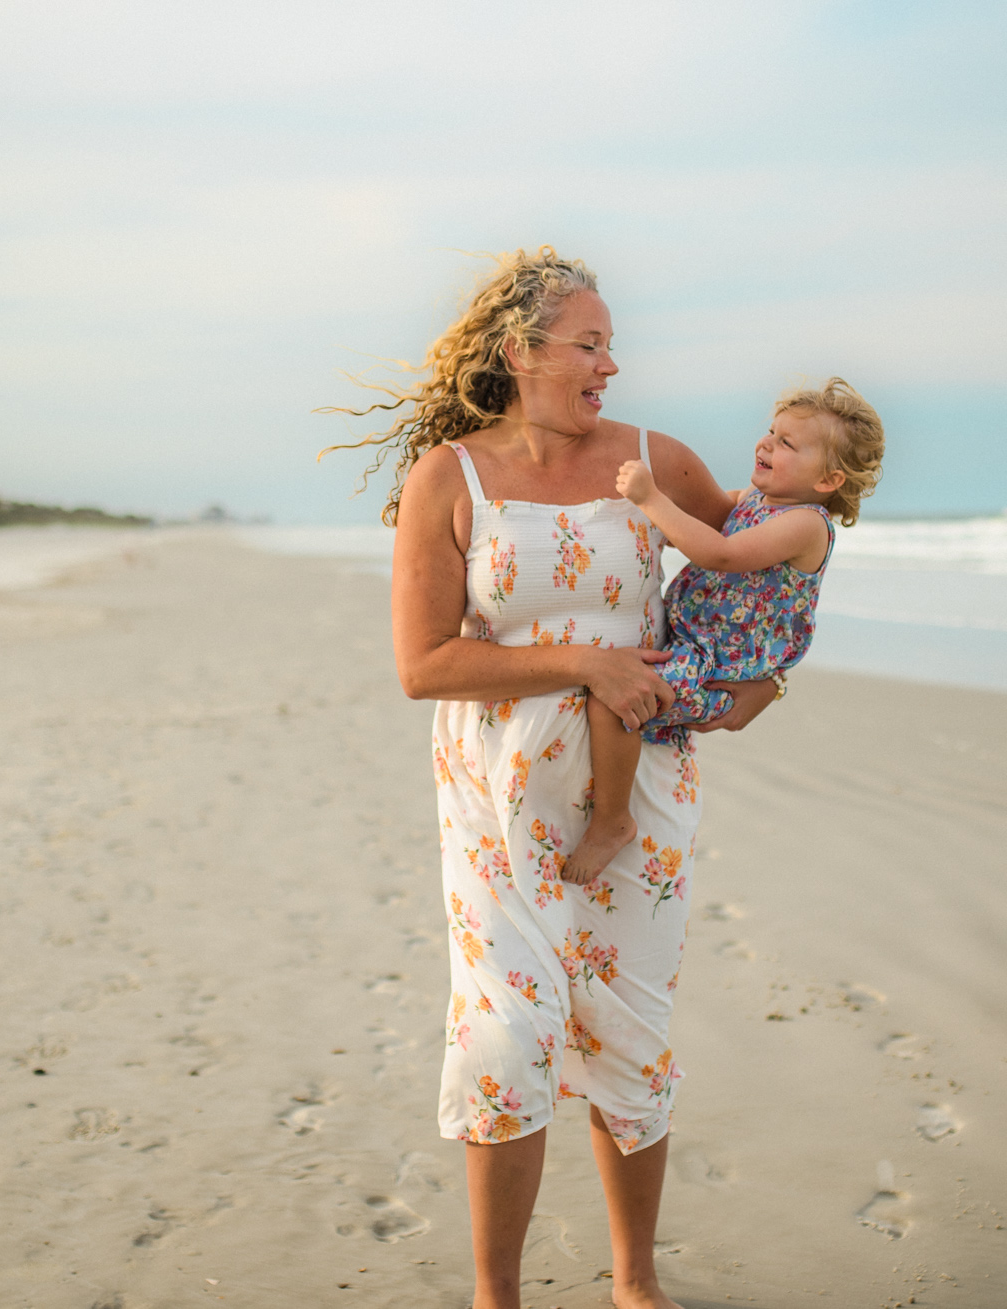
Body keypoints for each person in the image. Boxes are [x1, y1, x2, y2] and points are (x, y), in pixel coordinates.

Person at [338, 247, 772, 1309]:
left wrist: (760, 680)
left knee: (627, 1026)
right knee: (506, 1031)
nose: (609, 364)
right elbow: (422, 663)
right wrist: (582, 657)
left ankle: (634, 1280)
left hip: (643, 800)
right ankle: (498, 1294)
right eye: (589, 343)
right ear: (519, 352)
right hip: (497, 804)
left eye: (610, 344)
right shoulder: (450, 476)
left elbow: (760, 575)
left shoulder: (656, 460)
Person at [563, 379, 884, 886]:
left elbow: (722, 553)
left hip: (720, 665)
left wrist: (650, 498)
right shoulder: (752, 499)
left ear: (828, 480)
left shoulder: (806, 524)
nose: (765, 445)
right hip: (691, 641)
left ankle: (612, 821)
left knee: (618, 698)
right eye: (770, 433)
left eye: (787, 444)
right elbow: (691, 528)